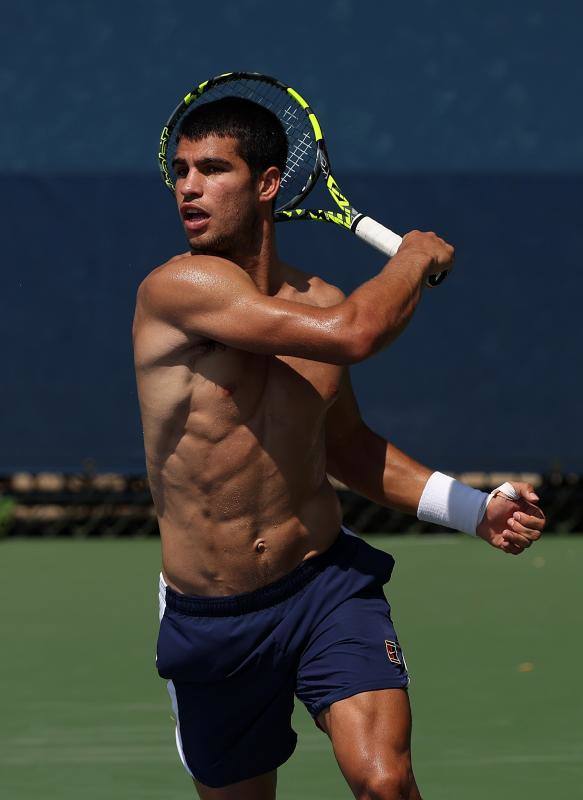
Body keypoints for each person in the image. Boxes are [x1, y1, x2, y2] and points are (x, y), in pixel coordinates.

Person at [133, 97, 545, 800]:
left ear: (267, 183)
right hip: (213, 620)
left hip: (323, 587)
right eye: (180, 170)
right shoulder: (179, 287)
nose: (188, 187)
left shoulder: (319, 300)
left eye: (211, 169)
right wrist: (412, 258)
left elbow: (347, 448)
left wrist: (472, 509)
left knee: (385, 782)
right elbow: (355, 332)